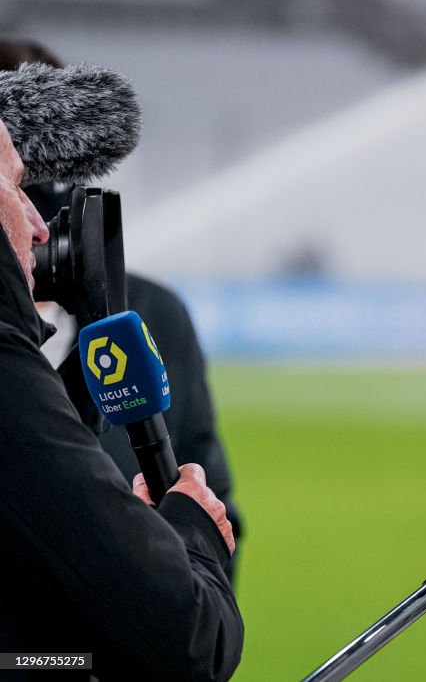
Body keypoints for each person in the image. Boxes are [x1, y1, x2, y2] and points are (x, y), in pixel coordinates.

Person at [0, 112, 242, 681]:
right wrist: (187, 535)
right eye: (15, 184)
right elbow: (190, 641)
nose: (40, 228)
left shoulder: (155, 313)